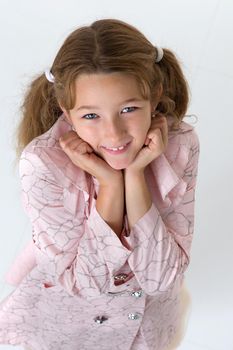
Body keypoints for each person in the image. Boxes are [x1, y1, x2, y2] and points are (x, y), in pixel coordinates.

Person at [0, 18, 200, 350]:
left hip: (145, 326)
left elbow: (161, 278)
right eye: (91, 116)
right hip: (66, 327)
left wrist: (134, 176)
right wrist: (110, 186)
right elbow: (83, 284)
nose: (114, 135)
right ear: (66, 111)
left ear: (156, 95)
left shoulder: (181, 143)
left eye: (129, 109)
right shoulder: (42, 163)